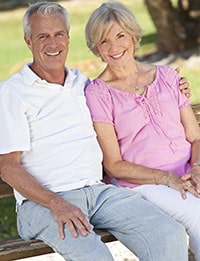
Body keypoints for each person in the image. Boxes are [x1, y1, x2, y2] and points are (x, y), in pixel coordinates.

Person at [0, 2, 190, 261]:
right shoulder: (13, 92)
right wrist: (56, 203)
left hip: (99, 193)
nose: (53, 43)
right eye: (43, 36)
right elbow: (7, 166)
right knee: (97, 258)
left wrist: (176, 87)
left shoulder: (83, 84)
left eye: (58, 34)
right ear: (28, 40)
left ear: (68, 37)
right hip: (45, 203)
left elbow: (126, 98)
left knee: (168, 234)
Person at [85, 1, 200, 260]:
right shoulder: (98, 93)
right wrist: (167, 178)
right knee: (198, 215)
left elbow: (195, 137)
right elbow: (114, 165)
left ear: (134, 36)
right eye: (104, 41)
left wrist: (197, 168)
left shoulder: (169, 77)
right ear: (96, 48)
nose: (114, 47)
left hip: (188, 172)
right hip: (142, 184)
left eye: (120, 35)